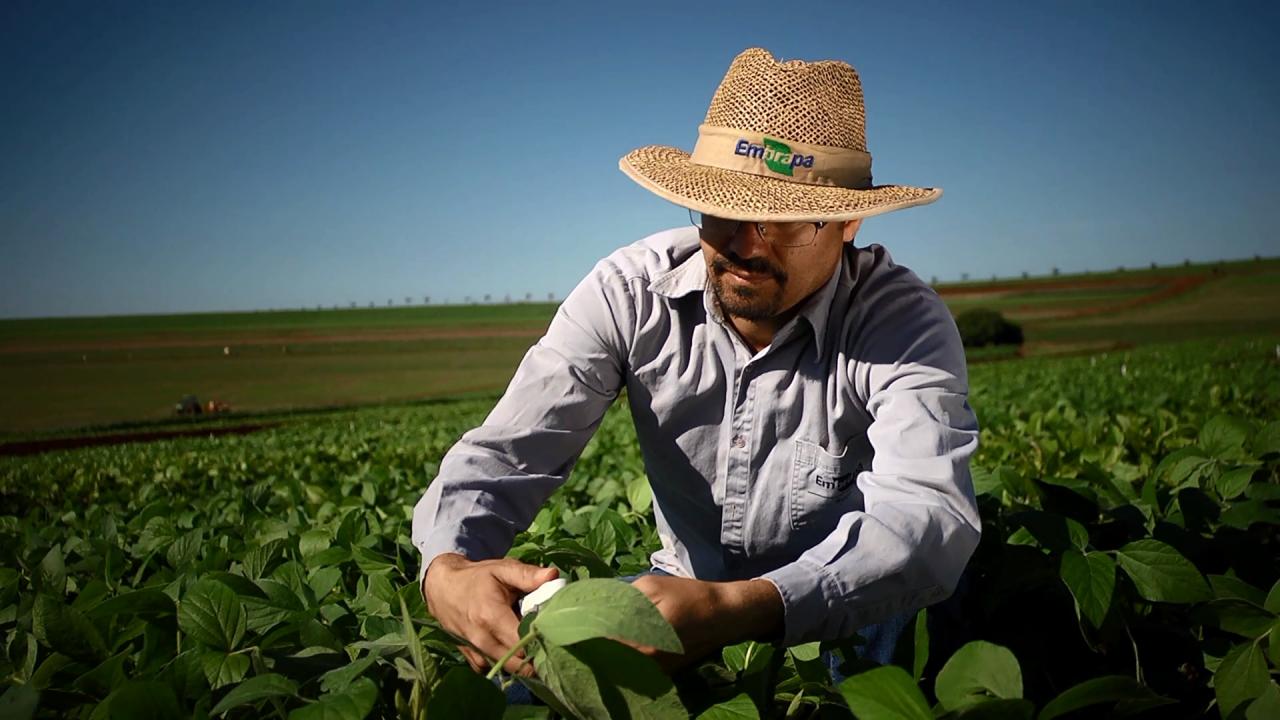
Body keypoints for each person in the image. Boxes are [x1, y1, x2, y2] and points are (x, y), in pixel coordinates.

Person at [412, 47, 981, 679]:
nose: (743, 246)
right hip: (681, 594)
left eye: (782, 222)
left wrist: (742, 606)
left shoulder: (898, 320)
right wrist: (448, 567)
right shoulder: (630, 292)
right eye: (722, 211)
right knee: (517, 688)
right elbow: (509, 452)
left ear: (849, 221)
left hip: (856, 603)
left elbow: (926, 514)